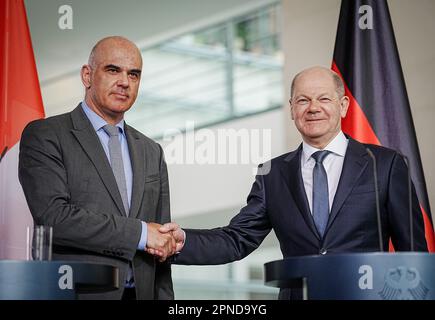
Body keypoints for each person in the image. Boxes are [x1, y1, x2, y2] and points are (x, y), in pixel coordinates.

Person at [152, 66, 428, 300]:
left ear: (343, 106)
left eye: (324, 99)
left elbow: (413, 252)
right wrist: (180, 242)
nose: (313, 108)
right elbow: (237, 239)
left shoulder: (386, 164)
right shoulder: (272, 173)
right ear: (292, 109)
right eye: (303, 100)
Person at [19, 36, 176, 300]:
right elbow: (54, 217)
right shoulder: (46, 135)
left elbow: (160, 242)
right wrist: (138, 233)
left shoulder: (151, 151)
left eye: (134, 74)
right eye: (113, 70)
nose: (124, 82)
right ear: (87, 75)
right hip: (78, 293)